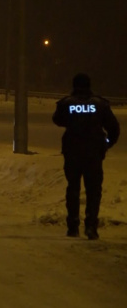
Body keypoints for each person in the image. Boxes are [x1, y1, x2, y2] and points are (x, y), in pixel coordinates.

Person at [52, 73, 120, 240]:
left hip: (73, 153)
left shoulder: (66, 103)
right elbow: (114, 128)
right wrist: (107, 143)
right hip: (93, 154)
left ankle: (73, 226)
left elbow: (57, 120)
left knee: (73, 189)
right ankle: (91, 227)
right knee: (93, 191)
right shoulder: (100, 104)